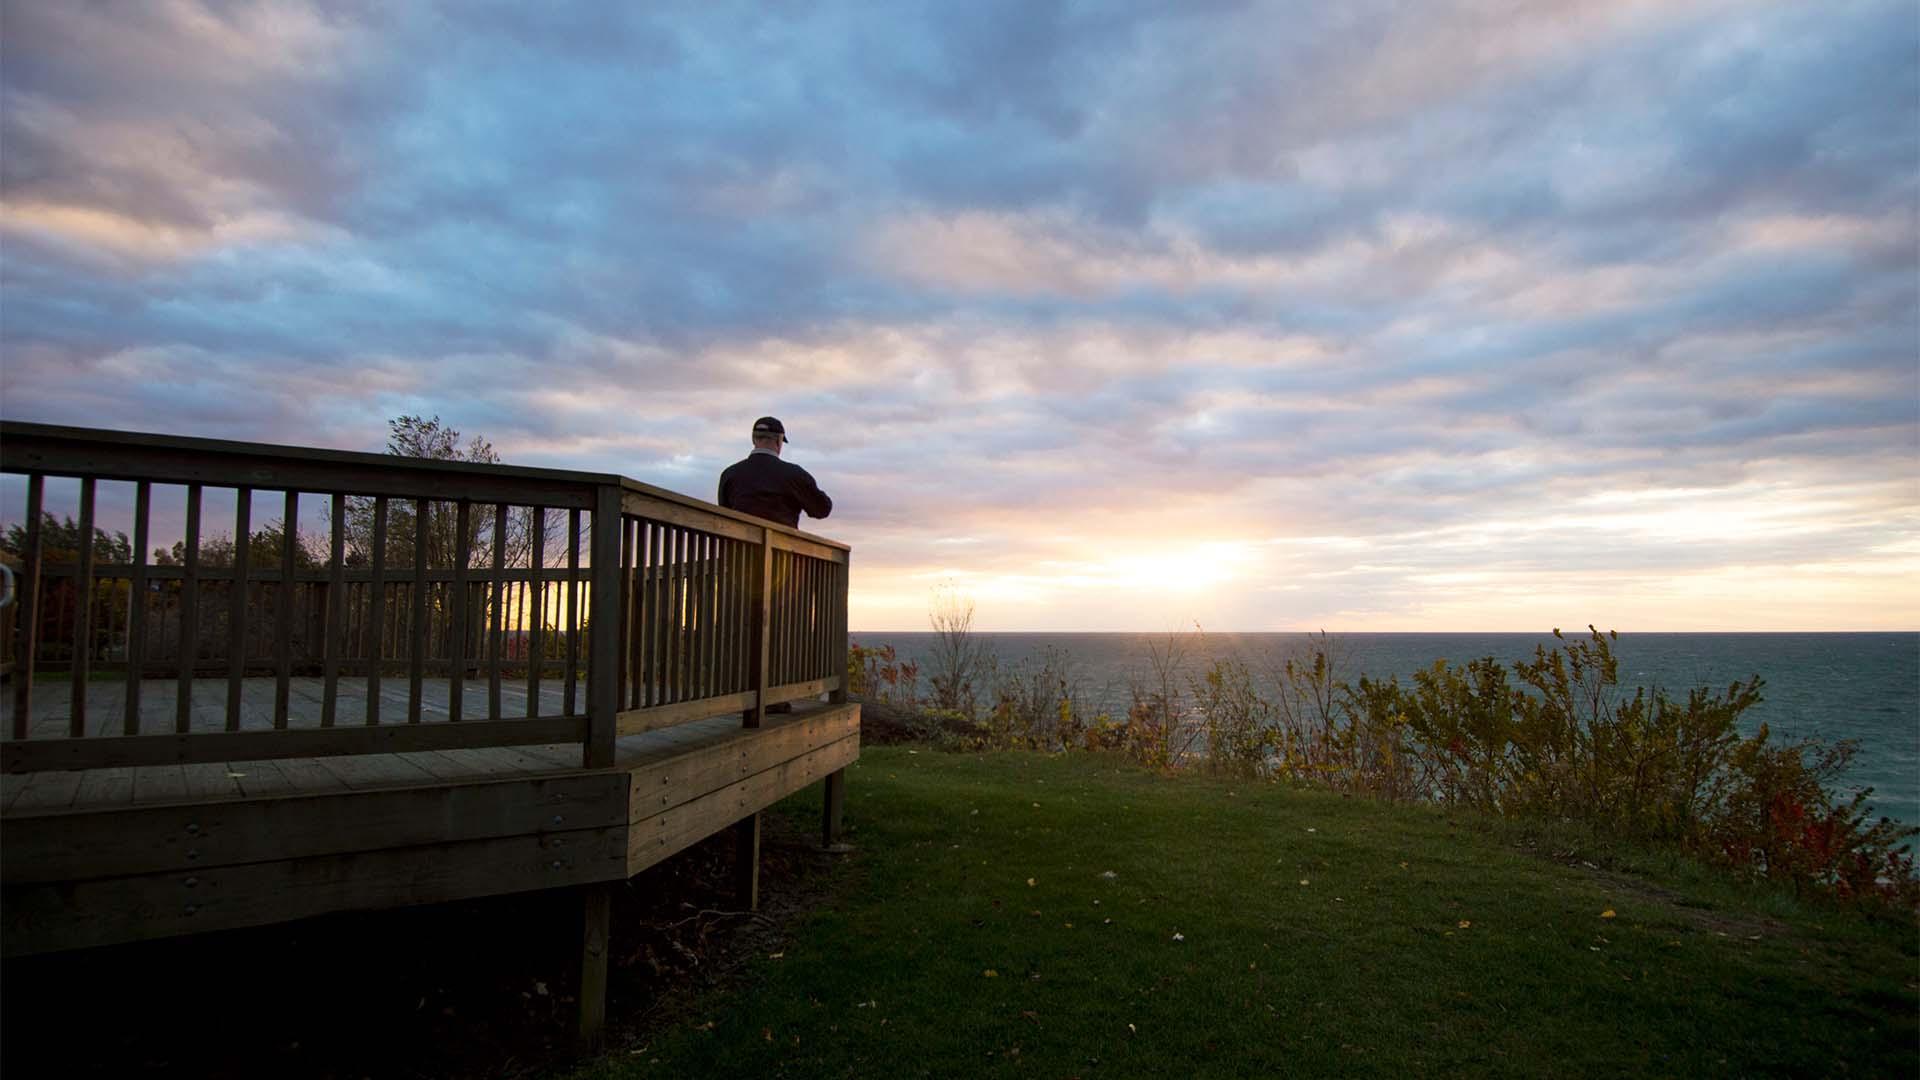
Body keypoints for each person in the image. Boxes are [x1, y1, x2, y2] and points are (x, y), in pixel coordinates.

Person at [717, 416, 832, 528]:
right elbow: (822, 509)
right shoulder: (794, 474)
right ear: (778, 440)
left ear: (753, 439)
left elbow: (724, 512)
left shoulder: (729, 474)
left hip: (737, 546)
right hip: (780, 546)